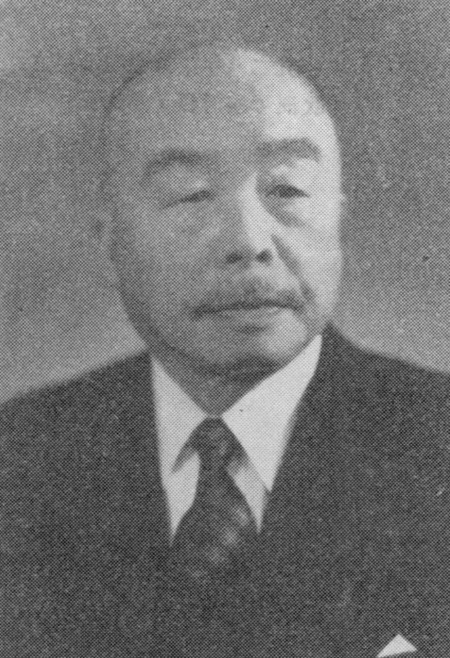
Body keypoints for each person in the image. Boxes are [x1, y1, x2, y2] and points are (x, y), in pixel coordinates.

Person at [1, 42, 450, 658]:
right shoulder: (20, 458)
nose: (248, 240)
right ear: (109, 242)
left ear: (339, 220)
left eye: (288, 188)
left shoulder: (435, 439)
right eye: (190, 194)